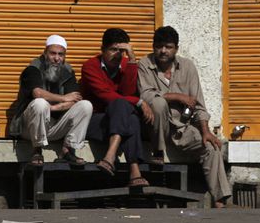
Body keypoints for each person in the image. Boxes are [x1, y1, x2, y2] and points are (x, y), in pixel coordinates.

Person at [137, 26, 232, 208]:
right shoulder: (145, 64)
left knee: (211, 147)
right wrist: (178, 96)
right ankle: (158, 151)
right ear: (153, 47)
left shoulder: (187, 67)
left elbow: (199, 104)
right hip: (155, 130)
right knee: (158, 103)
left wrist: (205, 131)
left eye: (168, 47)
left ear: (176, 49)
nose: (163, 51)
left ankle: (220, 201)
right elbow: (147, 95)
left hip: (182, 129)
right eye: (159, 46)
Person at [80, 28, 153, 186]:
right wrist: (138, 101)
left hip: (118, 122)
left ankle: (112, 159)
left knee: (131, 117)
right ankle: (131, 169)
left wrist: (132, 59)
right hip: (95, 121)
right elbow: (106, 96)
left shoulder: (128, 64)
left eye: (121, 51)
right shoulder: (90, 67)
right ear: (103, 50)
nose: (117, 54)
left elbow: (127, 91)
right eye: (113, 50)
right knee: (123, 107)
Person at [10, 35, 92, 166]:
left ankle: (68, 149)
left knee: (86, 105)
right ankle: (37, 149)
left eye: (61, 54)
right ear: (45, 53)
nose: (57, 58)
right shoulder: (33, 69)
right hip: (30, 130)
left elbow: (75, 98)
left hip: (54, 126)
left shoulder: (67, 71)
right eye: (53, 53)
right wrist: (63, 98)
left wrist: (54, 108)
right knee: (40, 103)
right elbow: (38, 93)